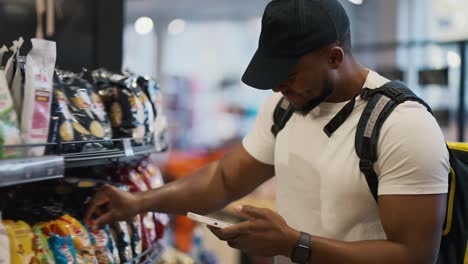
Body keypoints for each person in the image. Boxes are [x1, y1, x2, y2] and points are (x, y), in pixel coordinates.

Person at [86, 0, 450, 263]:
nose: (278, 88)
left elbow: (413, 255)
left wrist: (295, 244)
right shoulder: (285, 108)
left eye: (289, 75)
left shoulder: (402, 125)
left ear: (334, 57)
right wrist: (139, 201)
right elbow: (224, 179)